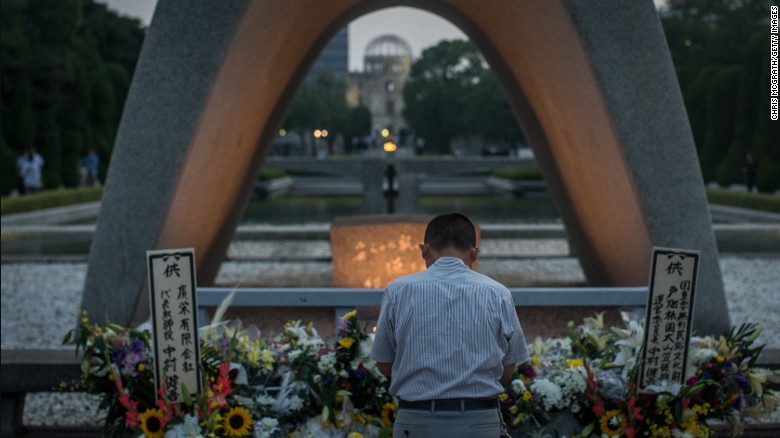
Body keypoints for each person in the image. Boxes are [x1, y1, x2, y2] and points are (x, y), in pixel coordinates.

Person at [371, 213, 530, 437]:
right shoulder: (498, 293)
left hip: (416, 422)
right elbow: (508, 369)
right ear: (475, 254)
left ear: (423, 250)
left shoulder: (399, 290)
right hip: (479, 423)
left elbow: (384, 363)